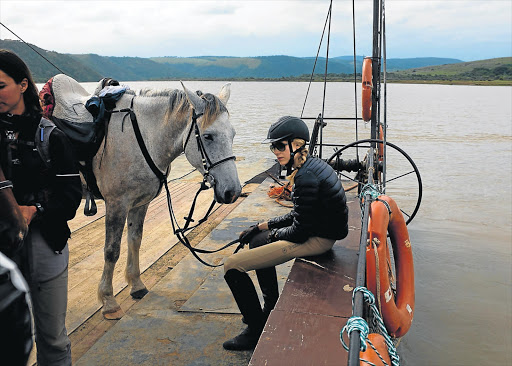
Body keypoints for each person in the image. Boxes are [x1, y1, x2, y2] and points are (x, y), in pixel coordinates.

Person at [222, 115, 349, 350]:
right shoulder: (311, 165)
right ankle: (269, 308)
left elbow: (299, 231)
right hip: (318, 230)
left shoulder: (305, 176)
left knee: (232, 265)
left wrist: (273, 235)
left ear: (297, 145)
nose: (276, 152)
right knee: (258, 240)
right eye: (273, 146)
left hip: (318, 239)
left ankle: (255, 329)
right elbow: (300, 213)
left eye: (280, 146)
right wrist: (262, 227)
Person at [0, 49, 82, 365]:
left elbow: (71, 196)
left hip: (45, 241)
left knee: (52, 339)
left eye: (1, 86)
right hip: (4, 247)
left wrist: (35, 210)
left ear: (23, 85)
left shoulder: (51, 136)